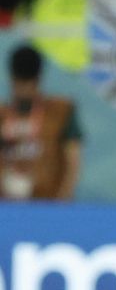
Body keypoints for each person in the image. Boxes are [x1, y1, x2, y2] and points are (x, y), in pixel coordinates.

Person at [0, 44, 82, 200]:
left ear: (38, 80)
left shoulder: (60, 112)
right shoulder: (2, 116)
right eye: (19, 83)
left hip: (48, 206)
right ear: (12, 80)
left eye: (28, 83)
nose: (23, 90)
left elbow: (73, 160)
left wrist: (62, 202)